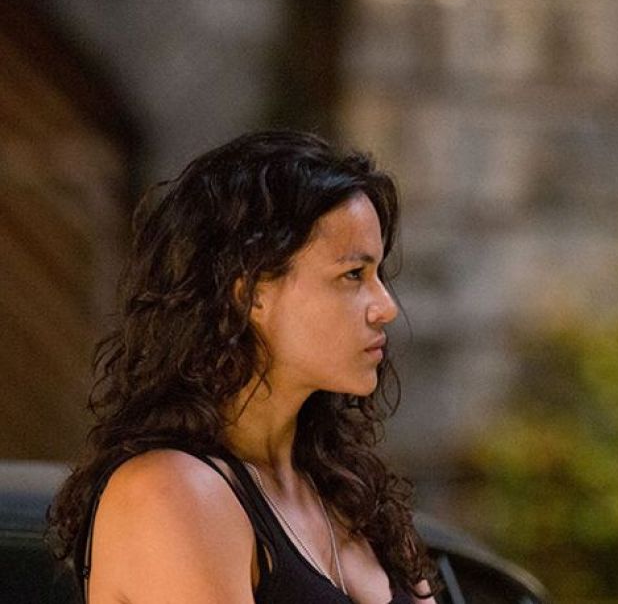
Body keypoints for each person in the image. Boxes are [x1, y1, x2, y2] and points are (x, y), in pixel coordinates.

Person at [48, 130, 438, 603]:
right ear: (250, 292)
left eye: (378, 274)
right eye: (352, 275)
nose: (386, 307)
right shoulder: (170, 491)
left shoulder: (352, 494)